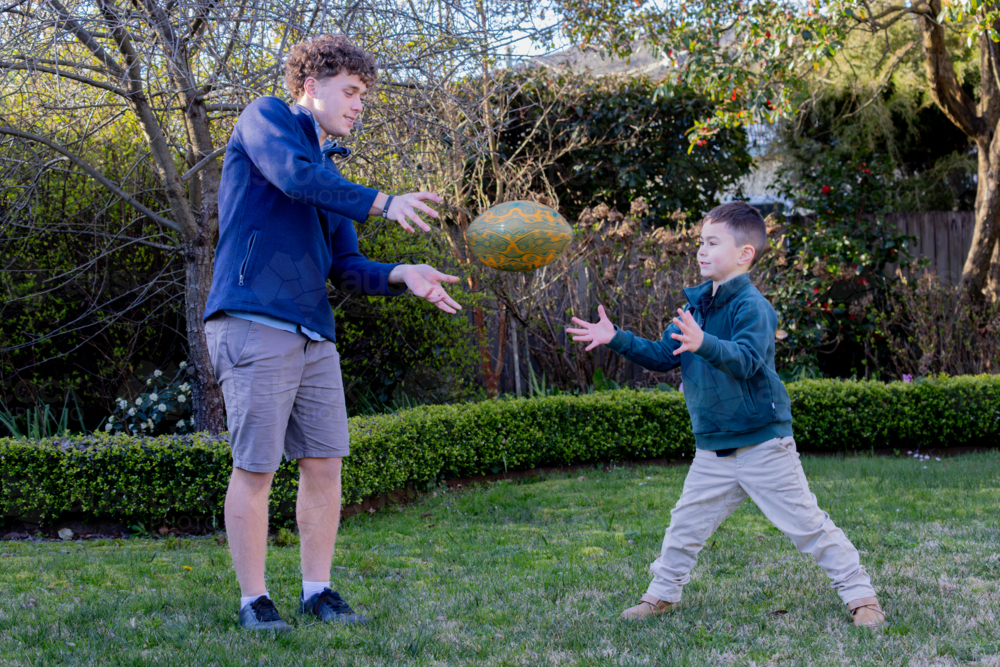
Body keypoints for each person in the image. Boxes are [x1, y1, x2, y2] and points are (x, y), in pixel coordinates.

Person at [202, 34, 461, 631]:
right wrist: (382, 200)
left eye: (364, 95)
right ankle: (254, 601)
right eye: (350, 91)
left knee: (324, 463)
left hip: (314, 331)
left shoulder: (330, 172)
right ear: (310, 87)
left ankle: (317, 591)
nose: (360, 105)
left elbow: (346, 266)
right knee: (257, 467)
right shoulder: (264, 118)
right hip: (252, 318)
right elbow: (293, 178)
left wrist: (402, 272)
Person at [565, 202, 885, 628]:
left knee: (807, 525)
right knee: (684, 526)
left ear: (744, 254)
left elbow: (748, 360)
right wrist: (616, 337)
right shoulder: (696, 308)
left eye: (712, 242)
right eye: (700, 241)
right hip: (713, 448)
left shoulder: (752, 307)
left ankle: (862, 597)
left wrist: (704, 344)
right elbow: (664, 356)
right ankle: (660, 595)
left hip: (762, 444)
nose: (701, 250)